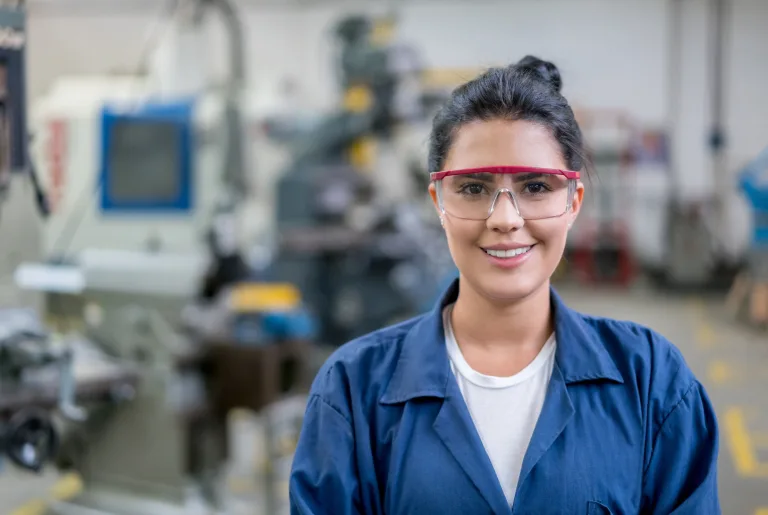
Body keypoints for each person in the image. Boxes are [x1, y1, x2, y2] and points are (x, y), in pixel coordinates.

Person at [289, 56, 720, 514]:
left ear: (574, 201)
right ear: (438, 200)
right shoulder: (354, 391)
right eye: (473, 188)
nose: (506, 219)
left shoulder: (650, 381)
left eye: (536, 187)